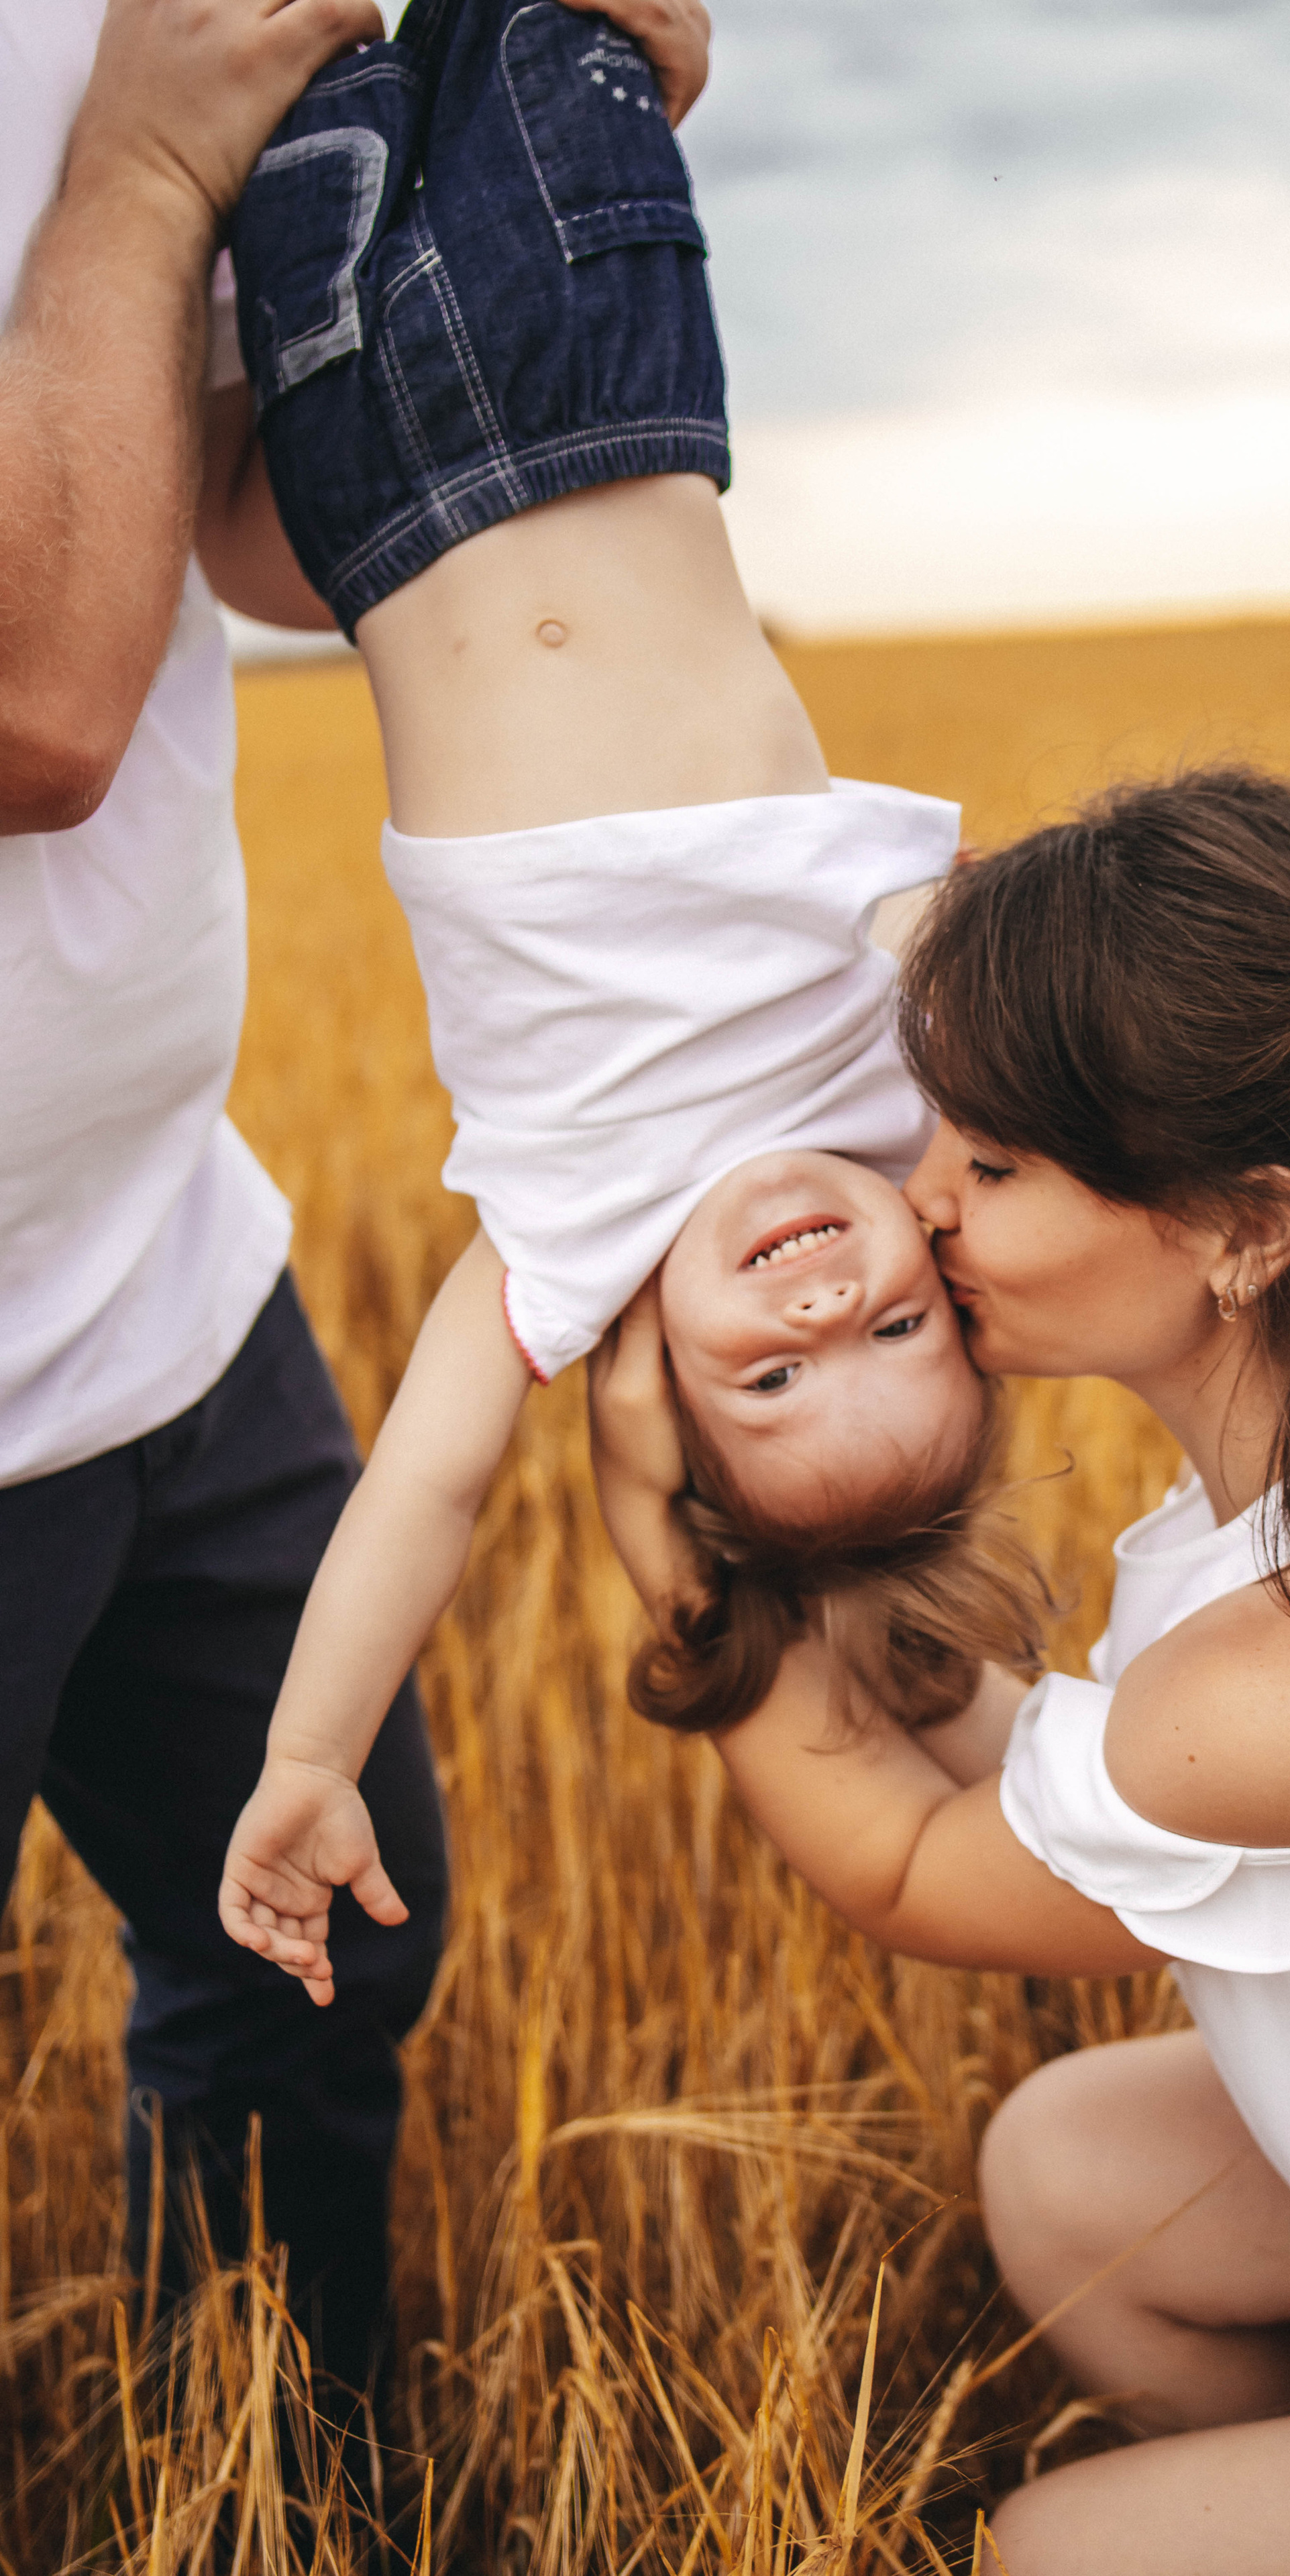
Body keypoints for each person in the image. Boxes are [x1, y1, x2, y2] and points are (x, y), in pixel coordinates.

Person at [586, 769, 1290, 2575]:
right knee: (1072, 2170)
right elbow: (1085, 1768)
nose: (925, 1202)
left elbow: (909, 1868)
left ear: (1247, 1228)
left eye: (996, 1164)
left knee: (1057, 2549)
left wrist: (682, 1552)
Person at [0, 0, 703, 2404]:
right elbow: (37, 701)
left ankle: (278, 2484)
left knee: (308, 1963)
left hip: (164, 1277)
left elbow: (254, 532)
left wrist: (523, 180)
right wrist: (126, 178)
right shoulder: (110, 81)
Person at [214, 0, 1040, 2006]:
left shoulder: (570, 1249)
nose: (829, 1304)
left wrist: (312, 1756)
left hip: (368, 467)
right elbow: (1126, 1122)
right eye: (904, 1328)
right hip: (600, 374)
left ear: (661, 1403)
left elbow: (421, 1492)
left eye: (776, 1377)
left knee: (257, 35)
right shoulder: (914, 1091)